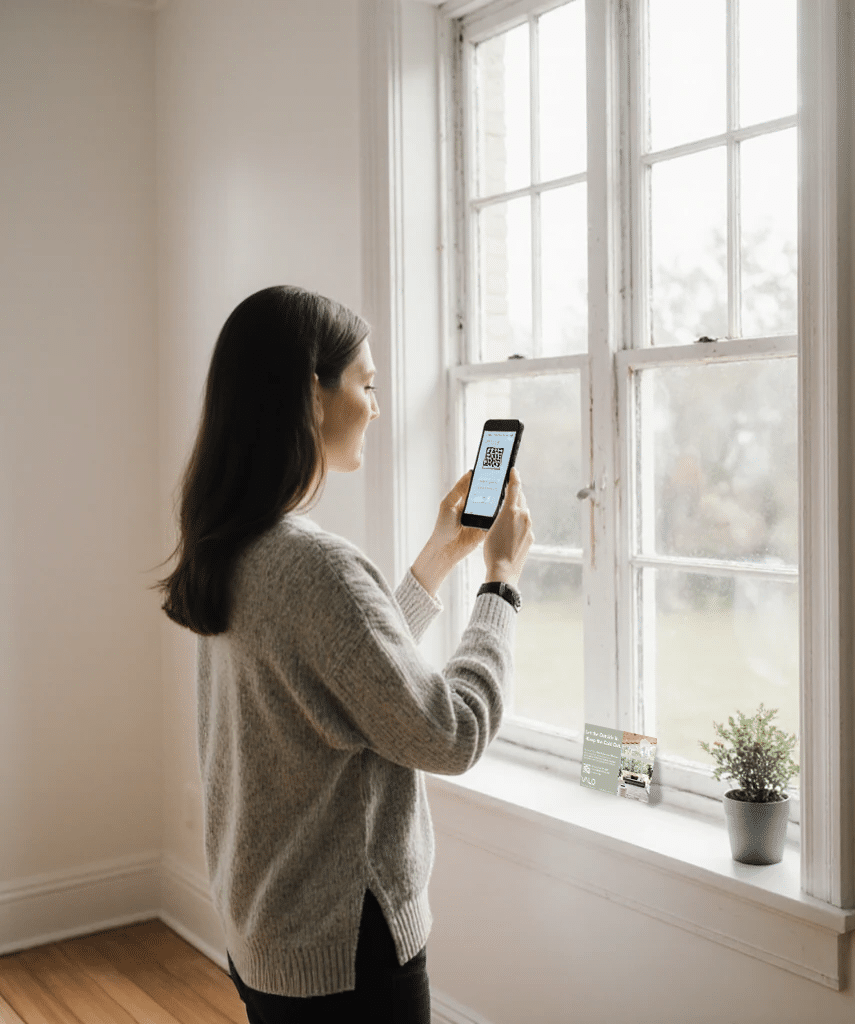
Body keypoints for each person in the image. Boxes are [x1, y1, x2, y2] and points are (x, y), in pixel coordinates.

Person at [151, 285, 533, 1024]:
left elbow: (343, 670)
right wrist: (501, 585)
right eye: (366, 384)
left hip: (264, 929)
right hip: (346, 953)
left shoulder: (233, 544)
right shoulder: (315, 566)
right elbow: (448, 734)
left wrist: (440, 555)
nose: (378, 406)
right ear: (312, 394)